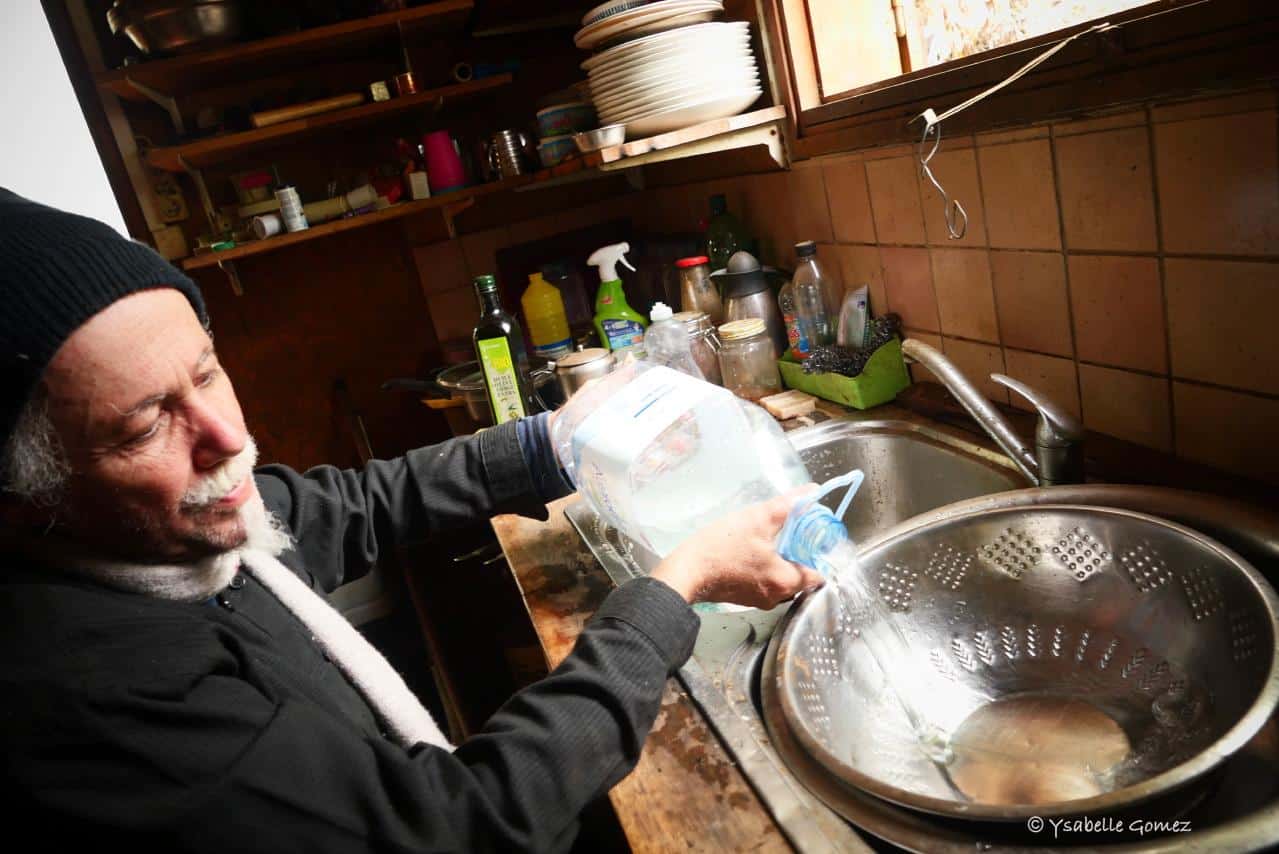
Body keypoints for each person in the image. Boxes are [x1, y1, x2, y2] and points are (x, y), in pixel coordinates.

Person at [0, 188, 823, 852]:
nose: (227, 441)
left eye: (208, 374)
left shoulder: (175, 532)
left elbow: (354, 503)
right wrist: (671, 591)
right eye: (145, 426)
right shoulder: (97, 699)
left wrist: (558, 436)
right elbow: (457, 827)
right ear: (23, 494)